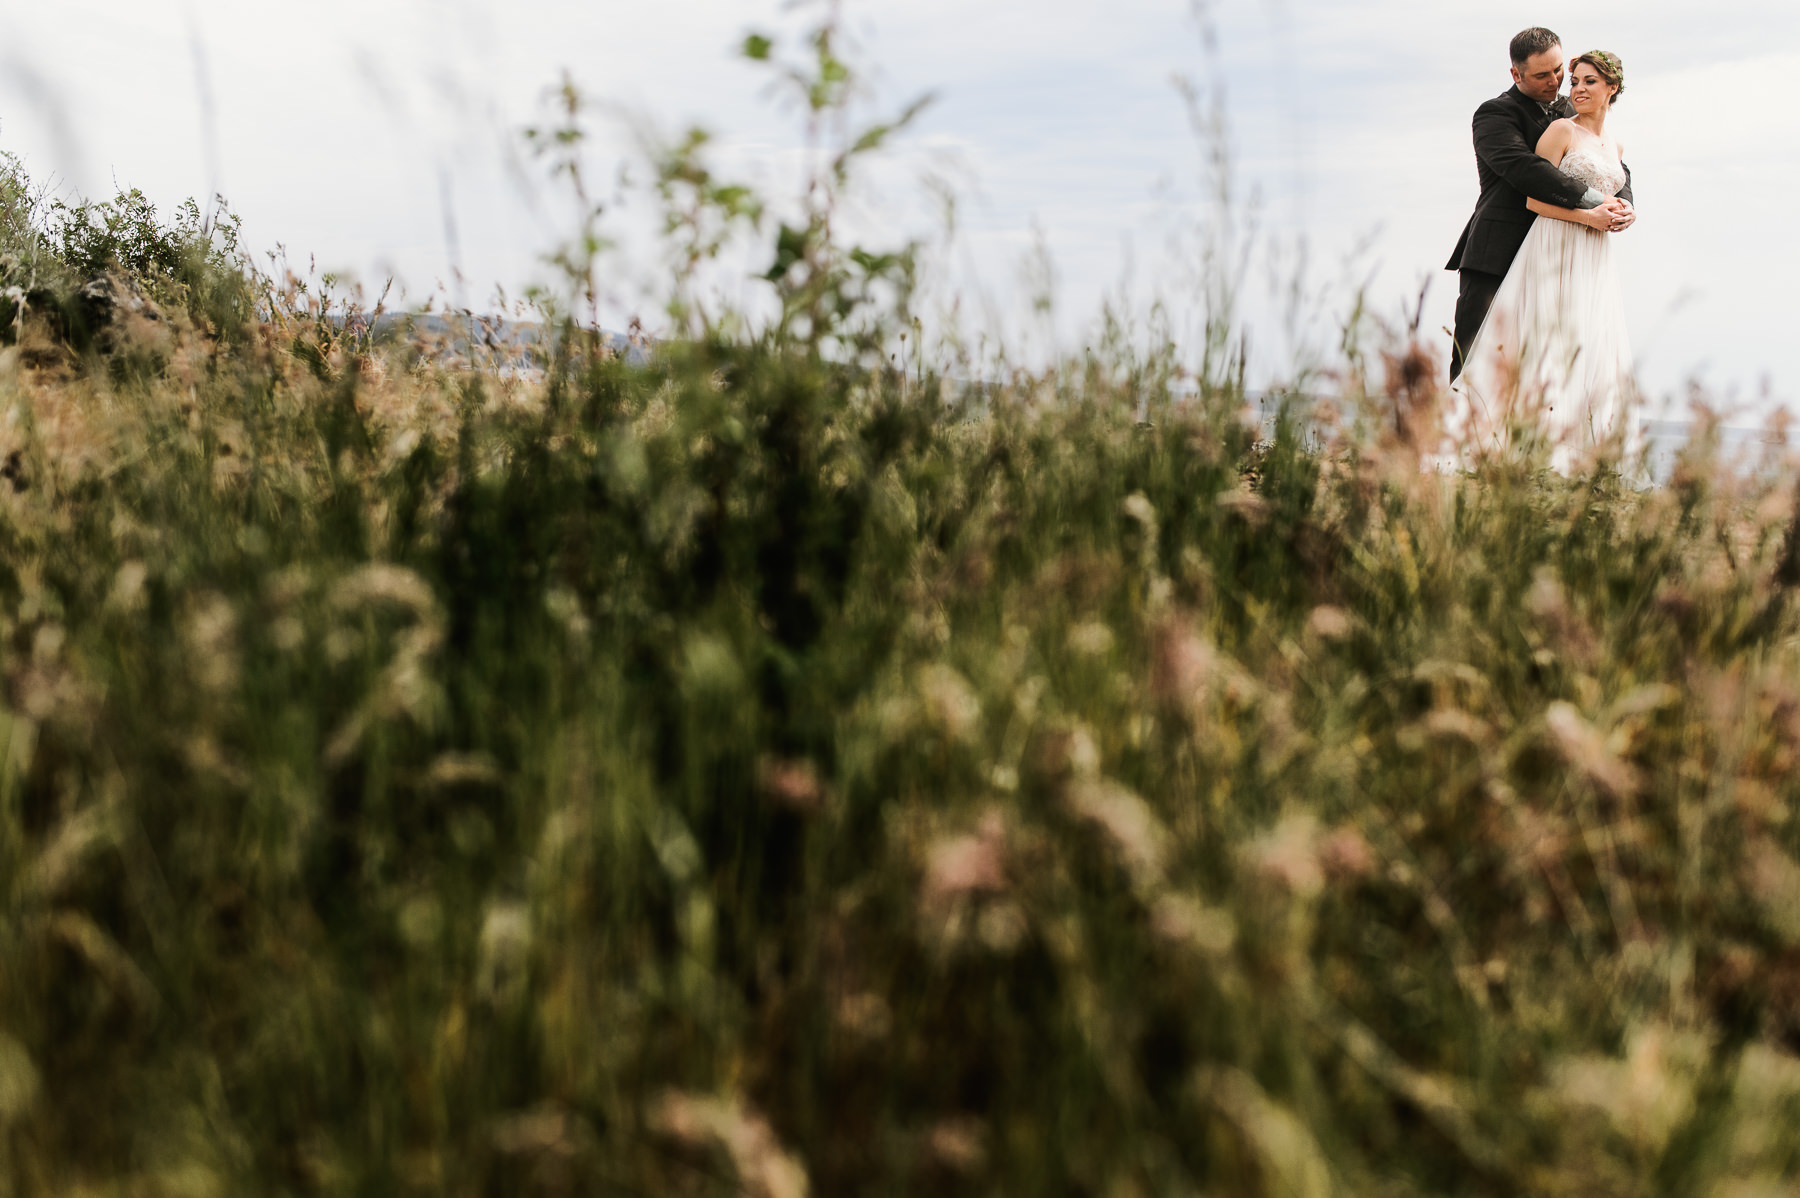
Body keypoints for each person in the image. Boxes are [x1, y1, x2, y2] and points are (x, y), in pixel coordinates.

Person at [1447, 48, 1637, 469]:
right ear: (1516, 73)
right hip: (1504, 245)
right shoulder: (1496, 114)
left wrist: (1626, 205)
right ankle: (1469, 443)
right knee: (1480, 350)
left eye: (1561, 72)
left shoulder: (1584, 118)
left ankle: (1562, 450)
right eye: (1546, 76)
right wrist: (1593, 210)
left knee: (1575, 342)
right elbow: (1527, 172)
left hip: (1585, 252)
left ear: (1612, 87)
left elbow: (1618, 172)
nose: (1559, 83)